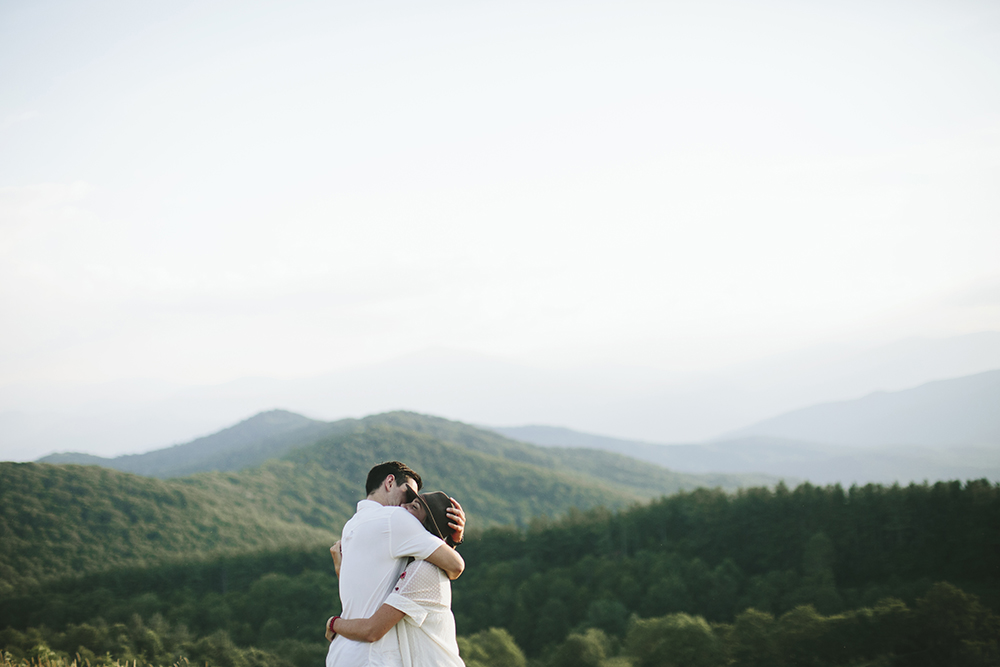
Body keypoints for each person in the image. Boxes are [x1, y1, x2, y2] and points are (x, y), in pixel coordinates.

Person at [325, 462, 465, 667]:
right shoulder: (395, 518)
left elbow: (365, 591)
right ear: (390, 482)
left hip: (341, 654)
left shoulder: (351, 526)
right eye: (408, 496)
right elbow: (455, 566)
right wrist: (454, 539)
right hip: (374, 657)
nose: (405, 505)